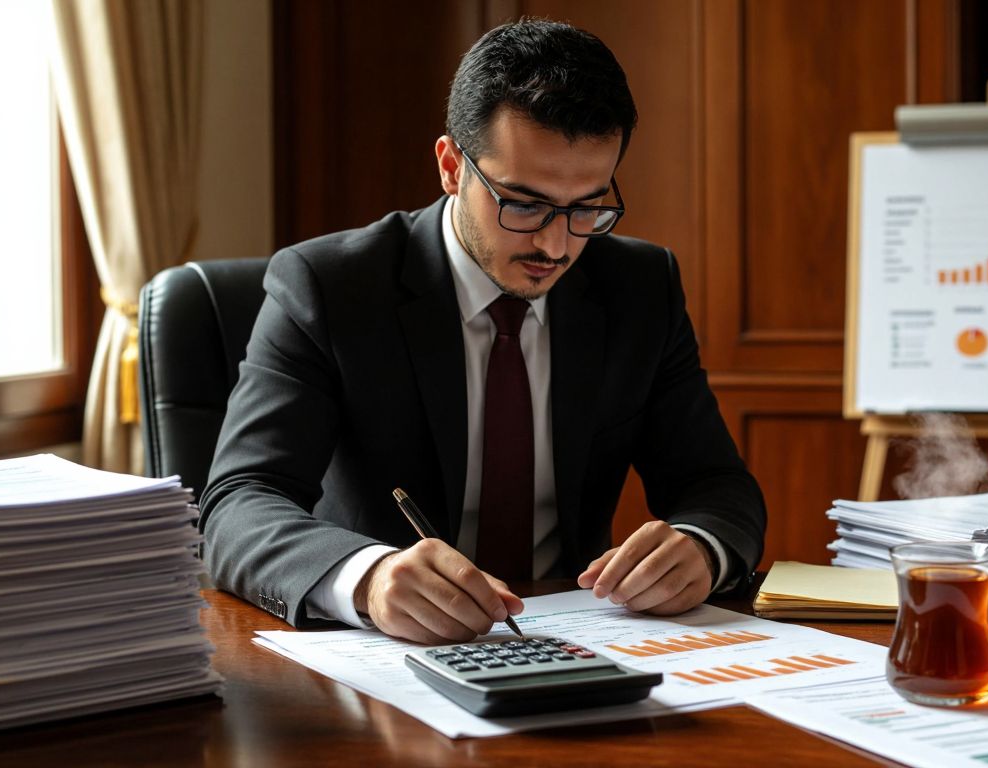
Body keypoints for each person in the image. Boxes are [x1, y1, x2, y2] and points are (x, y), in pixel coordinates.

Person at [199, 18, 766, 644]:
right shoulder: (328, 287)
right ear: (450, 166)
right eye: (523, 203)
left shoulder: (639, 287)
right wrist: (369, 576)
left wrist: (702, 546)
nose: (555, 244)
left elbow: (717, 485)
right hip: (386, 657)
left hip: (580, 641)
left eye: (587, 207)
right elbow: (238, 504)